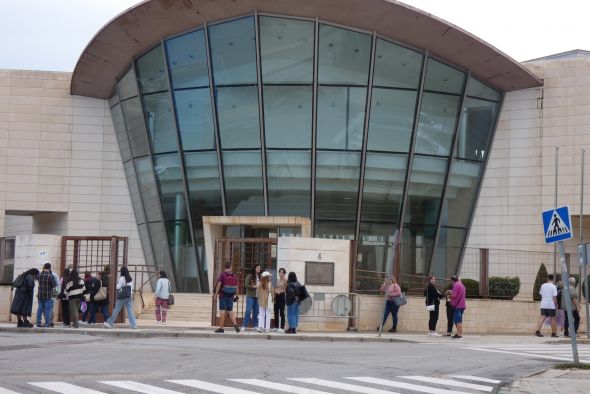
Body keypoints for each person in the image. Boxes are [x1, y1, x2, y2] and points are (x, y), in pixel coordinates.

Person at [213, 261, 240, 333]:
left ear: (225, 267)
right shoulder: (234, 275)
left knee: (222, 310)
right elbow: (237, 287)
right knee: (230, 310)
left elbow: (219, 284)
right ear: (230, 267)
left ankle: (221, 328)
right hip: (231, 295)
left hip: (223, 295)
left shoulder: (222, 274)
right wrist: (237, 296)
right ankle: (235, 325)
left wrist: (215, 294)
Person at [36, 263, 57, 328]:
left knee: (40, 309)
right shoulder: (50, 276)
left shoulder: (39, 275)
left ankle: (38, 322)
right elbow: (54, 285)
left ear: (44, 267)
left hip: (40, 295)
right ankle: (47, 323)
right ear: (50, 268)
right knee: (48, 310)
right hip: (48, 295)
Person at [241, 264, 261, 331]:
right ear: (254, 268)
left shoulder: (260, 276)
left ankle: (255, 325)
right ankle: (244, 325)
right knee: (248, 310)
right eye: (257, 268)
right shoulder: (250, 276)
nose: (259, 269)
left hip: (258, 296)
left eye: (259, 268)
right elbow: (246, 285)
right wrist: (254, 286)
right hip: (250, 295)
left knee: (256, 312)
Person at [449, 275, 466, 339]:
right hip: (462, 305)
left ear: (452, 280)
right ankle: (459, 333)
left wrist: (449, 295)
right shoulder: (462, 285)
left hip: (457, 306)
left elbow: (454, 295)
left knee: (457, 320)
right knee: (459, 320)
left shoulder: (456, 285)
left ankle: (459, 335)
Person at [272, 267, 287, 333]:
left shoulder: (285, 280)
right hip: (276, 296)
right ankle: (276, 326)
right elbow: (274, 287)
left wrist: (281, 291)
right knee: (275, 311)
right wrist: (276, 291)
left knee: (281, 312)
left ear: (284, 273)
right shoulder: (277, 280)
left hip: (282, 296)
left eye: (282, 272)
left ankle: (282, 327)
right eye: (280, 272)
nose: (281, 273)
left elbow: (286, 289)